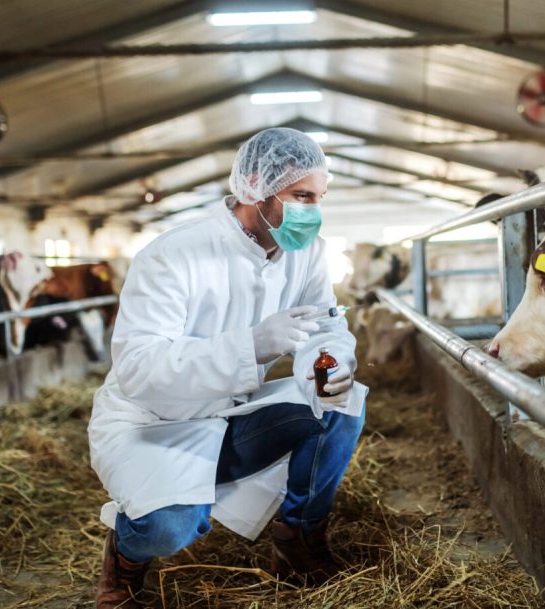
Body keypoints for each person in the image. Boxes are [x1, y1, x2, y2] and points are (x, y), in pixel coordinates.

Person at [89, 127, 367, 608]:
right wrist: (250, 346)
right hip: (152, 423)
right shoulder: (172, 256)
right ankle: (124, 562)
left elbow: (324, 326)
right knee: (169, 526)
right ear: (256, 185)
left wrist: (331, 362)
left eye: (319, 197)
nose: (313, 213)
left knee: (342, 403)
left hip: (231, 414)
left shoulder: (307, 255)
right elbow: (137, 367)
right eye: (301, 196)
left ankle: (298, 540)